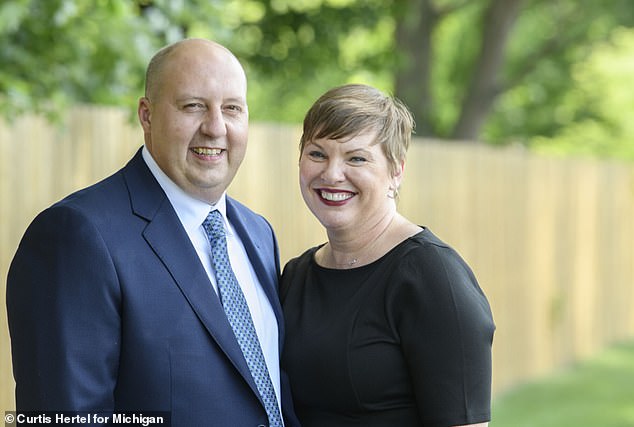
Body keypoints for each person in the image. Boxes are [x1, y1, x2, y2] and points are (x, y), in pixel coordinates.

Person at [7, 38, 299, 427]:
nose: (215, 127)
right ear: (146, 114)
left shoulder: (259, 235)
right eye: (193, 106)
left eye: (232, 109)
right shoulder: (77, 236)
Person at [280, 83, 495, 427]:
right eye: (317, 153)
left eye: (357, 158)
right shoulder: (295, 276)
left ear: (396, 171)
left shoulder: (432, 278)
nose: (332, 174)